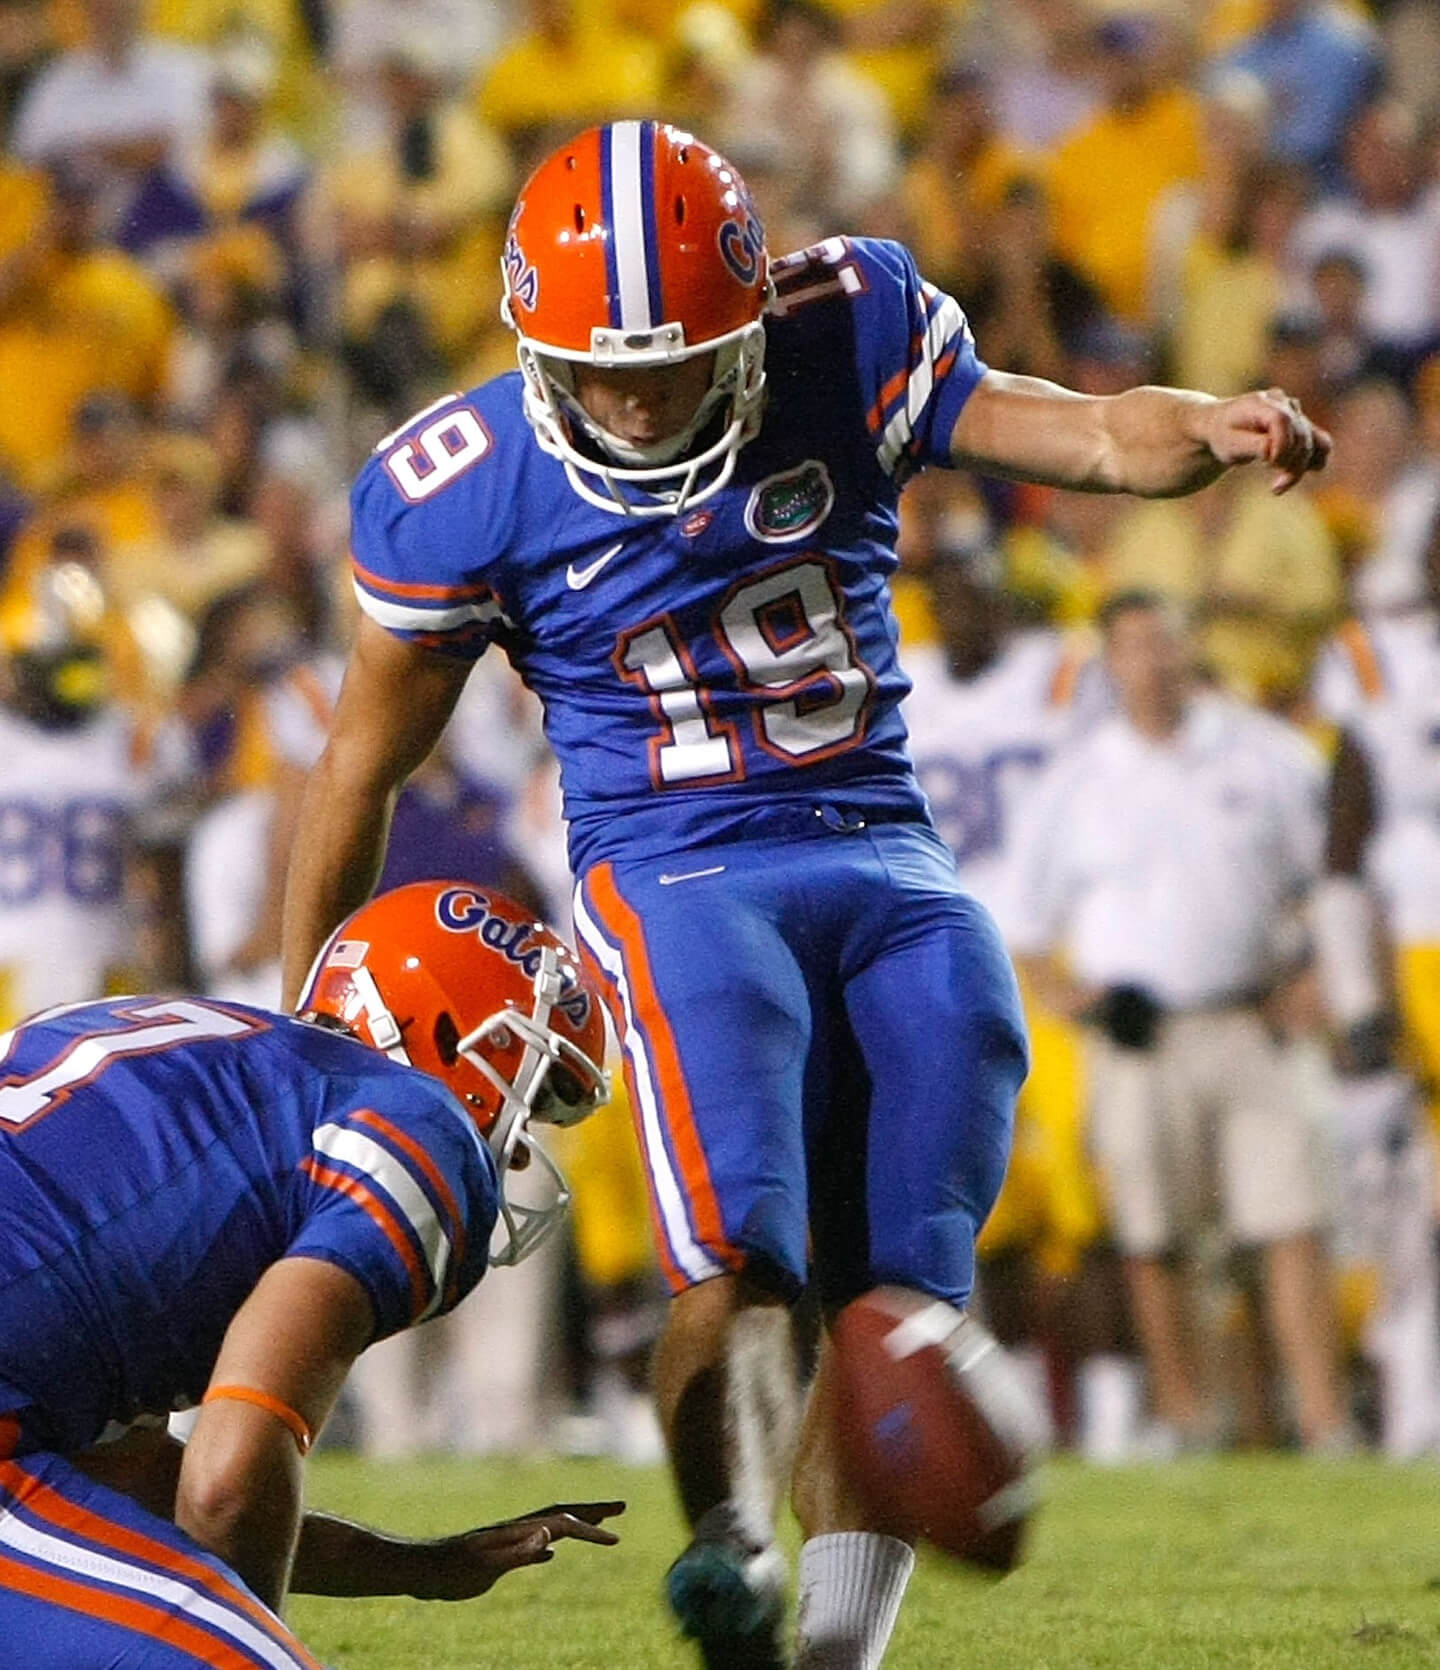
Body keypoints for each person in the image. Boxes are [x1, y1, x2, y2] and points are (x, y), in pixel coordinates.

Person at [280, 122, 1330, 1670]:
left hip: (882, 841)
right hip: (673, 863)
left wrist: (1216, 428)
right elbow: (356, 769)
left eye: (675, 359)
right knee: (743, 1239)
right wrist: (304, 1029)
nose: (634, 397)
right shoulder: (466, 485)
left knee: (905, 1275)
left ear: (751, 316)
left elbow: (1095, 434)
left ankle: (834, 1651)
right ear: (535, 341)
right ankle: (732, 1542)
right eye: (602, 364)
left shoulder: (848, 331)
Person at [0, 878, 622, 1667]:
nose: (522, 1146)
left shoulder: (188, 1057)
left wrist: (421, 1567)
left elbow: (134, 1487)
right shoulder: (412, 1119)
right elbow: (225, 1481)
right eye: (530, 1100)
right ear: (446, 1029)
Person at [1009, 592, 1349, 1455]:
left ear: (1191, 649)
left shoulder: (1266, 755)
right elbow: (1030, 937)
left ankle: (1324, 1420)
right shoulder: (1076, 780)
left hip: (1252, 1018)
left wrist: (1313, 978)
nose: (1154, 663)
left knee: (1293, 1224)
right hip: (1140, 1037)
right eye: (1134, 648)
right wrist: (1085, 1006)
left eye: (1166, 644)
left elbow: (1332, 884)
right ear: (1109, 665)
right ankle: (1186, 1417)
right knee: (1154, 1239)